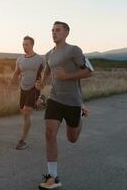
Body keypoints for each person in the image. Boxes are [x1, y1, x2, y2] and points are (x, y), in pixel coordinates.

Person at [36, 21, 94, 189]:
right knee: (49, 134)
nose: (54, 33)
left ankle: (81, 115)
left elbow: (89, 72)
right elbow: (47, 72)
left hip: (73, 101)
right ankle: (53, 177)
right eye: (52, 30)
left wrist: (66, 76)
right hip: (55, 99)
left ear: (66, 33)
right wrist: (42, 85)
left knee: (72, 139)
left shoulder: (74, 50)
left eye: (58, 30)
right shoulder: (48, 54)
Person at [10, 35, 45, 150]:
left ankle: (22, 140)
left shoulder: (40, 59)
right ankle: (41, 101)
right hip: (23, 88)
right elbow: (16, 72)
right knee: (24, 114)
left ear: (32, 45)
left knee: (26, 111)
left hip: (34, 88)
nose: (24, 46)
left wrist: (42, 84)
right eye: (23, 44)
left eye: (26, 44)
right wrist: (12, 82)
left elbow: (46, 73)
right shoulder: (20, 59)